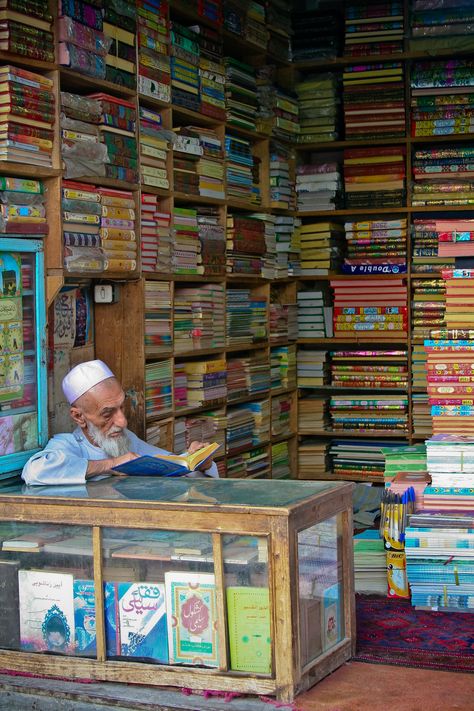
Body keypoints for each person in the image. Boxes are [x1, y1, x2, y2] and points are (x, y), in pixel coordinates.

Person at [22, 359, 218, 486]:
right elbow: (34, 471)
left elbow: (175, 467)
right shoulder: (68, 445)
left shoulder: (126, 440)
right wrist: (112, 465)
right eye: (108, 414)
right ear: (79, 417)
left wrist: (201, 463)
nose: (122, 422)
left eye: (122, 407)